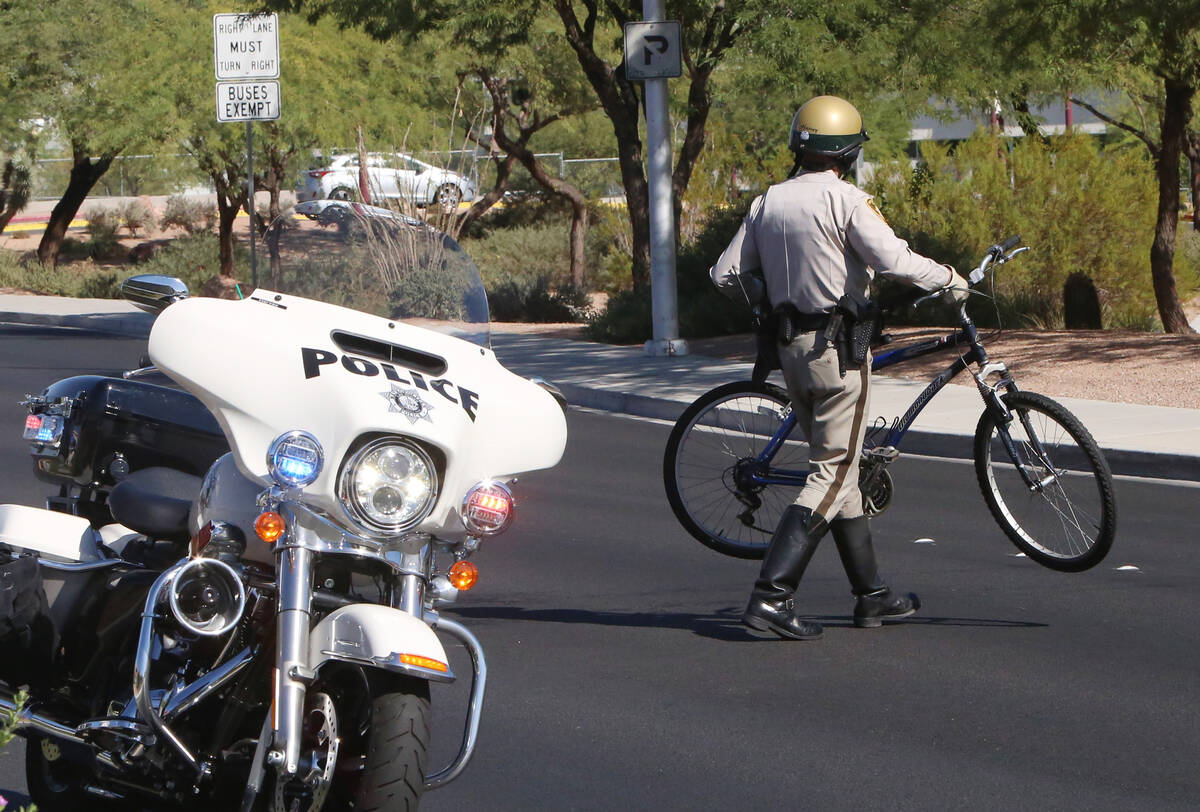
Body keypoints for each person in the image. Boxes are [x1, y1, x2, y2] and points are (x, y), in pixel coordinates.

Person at [709, 95, 970, 640]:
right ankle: (771, 597)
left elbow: (725, 274)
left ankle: (872, 597)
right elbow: (893, 260)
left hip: (790, 353)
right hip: (839, 356)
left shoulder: (767, 202)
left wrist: (768, 300)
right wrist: (949, 277)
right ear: (848, 152)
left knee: (842, 471)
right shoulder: (847, 200)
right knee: (832, 474)